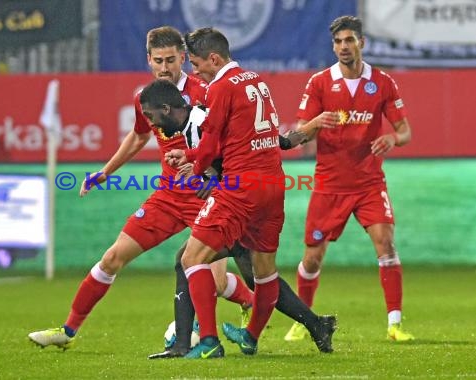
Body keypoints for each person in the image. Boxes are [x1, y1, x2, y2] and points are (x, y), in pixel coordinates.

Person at [27, 26, 253, 350]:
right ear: (148, 59)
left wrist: (219, 178)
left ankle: (245, 304)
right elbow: (138, 136)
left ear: (183, 59)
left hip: (208, 197)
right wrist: (105, 171)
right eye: (158, 60)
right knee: (112, 258)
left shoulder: (206, 91)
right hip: (168, 197)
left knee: (214, 281)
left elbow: (231, 141)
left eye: (171, 60)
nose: (165, 68)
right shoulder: (144, 98)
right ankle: (67, 331)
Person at [140, 79, 337, 359]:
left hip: (241, 203)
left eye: (151, 117)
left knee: (189, 260)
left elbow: (227, 159)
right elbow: (277, 142)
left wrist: (206, 176)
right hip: (253, 198)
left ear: (166, 108)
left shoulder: (200, 124)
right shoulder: (198, 120)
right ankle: (316, 325)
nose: (153, 125)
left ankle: (193, 342)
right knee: (260, 275)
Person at [283, 15, 415, 343]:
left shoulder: (383, 82)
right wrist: (315, 123)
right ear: (333, 46)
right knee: (312, 257)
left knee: (385, 243)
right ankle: (303, 319)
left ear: (361, 43)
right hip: (329, 184)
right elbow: (298, 135)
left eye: (349, 40)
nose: (344, 46)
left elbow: (405, 131)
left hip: (370, 182)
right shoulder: (319, 83)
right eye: (339, 42)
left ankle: (395, 324)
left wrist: (392, 140)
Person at [163, 27, 291, 358]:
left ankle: (207, 341)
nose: (195, 71)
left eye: (195, 63)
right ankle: (250, 337)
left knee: (191, 258)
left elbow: (209, 145)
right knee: (264, 272)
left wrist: (191, 161)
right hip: (274, 185)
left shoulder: (219, 87)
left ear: (214, 59)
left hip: (240, 187)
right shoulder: (256, 80)